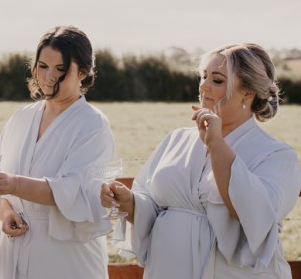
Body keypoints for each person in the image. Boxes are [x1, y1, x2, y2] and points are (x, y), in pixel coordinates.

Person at [103, 43, 301, 278]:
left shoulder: (277, 156)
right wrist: (130, 202)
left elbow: (256, 216)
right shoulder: (176, 139)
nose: (204, 86)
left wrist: (217, 145)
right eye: (203, 76)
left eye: (217, 80)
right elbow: (152, 207)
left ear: (248, 92)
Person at [0, 25, 115, 279]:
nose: (49, 76)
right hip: (12, 250)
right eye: (43, 66)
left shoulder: (92, 124)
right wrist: (6, 211)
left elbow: (71, 190)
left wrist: (13, 184)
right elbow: (0, 180)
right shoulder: (21, 118)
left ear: (83, 72)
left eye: (60, 69)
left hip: (64, 255)